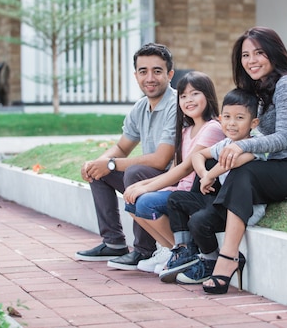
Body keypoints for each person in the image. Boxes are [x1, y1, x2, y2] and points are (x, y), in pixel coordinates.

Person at [201, 26, 287, 294]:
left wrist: (241, 147)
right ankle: (196, 240)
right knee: (226, 164)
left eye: (259, 53)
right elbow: (253, 135)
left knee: (244, 172)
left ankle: (228, 259)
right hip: (280, 164)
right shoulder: (257, 91)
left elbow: (283, 138)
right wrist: (230, 155)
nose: (251, 60)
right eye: (245, 55)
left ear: (273, 53)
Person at [75, 43, 178, 271]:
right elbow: (122, 148)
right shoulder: (141, 107)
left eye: (157, 71)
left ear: (170, 74)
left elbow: (162, 160)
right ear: (136, 75)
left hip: (173, 181)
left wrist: (111, 163)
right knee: (99, 172)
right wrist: (98, 163)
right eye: (143, 71)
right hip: (150, 179)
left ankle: (144, 250)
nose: (149, 78)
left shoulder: (176, 105)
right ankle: (113, 243)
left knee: (133, 171)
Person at [158, 88, 266, 285]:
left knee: (198, 222)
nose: (232, 123)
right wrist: (203, 174)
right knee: (175, 199)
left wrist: (209, 175)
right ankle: (186, 250)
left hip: (238, 210)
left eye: (239, 118)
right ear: (219, 118)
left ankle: (211, 260)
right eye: (227, 117)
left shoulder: (255, 143)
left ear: (254, 123)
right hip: (218, 201)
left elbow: (235, 161)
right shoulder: (225, 142)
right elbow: (198, 156)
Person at [121, 71, 225, 273]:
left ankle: (188, 252)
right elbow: (175, 169)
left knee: (145, 202)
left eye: (195, 94)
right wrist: (141, 185)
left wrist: (147, 186)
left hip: (195, 194)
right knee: (132, 203)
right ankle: (172, 251)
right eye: (183, 96)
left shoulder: (212, 128)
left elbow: (185, 168)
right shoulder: (186, 130)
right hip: (179, 190)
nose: (188, 100)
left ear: (208, 95)